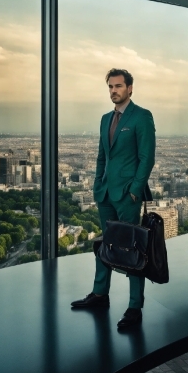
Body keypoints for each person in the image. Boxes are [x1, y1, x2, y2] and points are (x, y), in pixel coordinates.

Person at [71, 68, 156, 328]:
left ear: (130, 88)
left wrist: (134, 190)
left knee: (132, 248)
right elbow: (101, 156)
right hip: (106, 192)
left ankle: (134, 307)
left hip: (127, 194)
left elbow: (147, 158)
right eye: (110, 86)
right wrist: (98, 184)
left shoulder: (142, 117)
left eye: (118, 86)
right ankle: (99, 294)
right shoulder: (105, 118)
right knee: (105, 244)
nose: (114, 91)